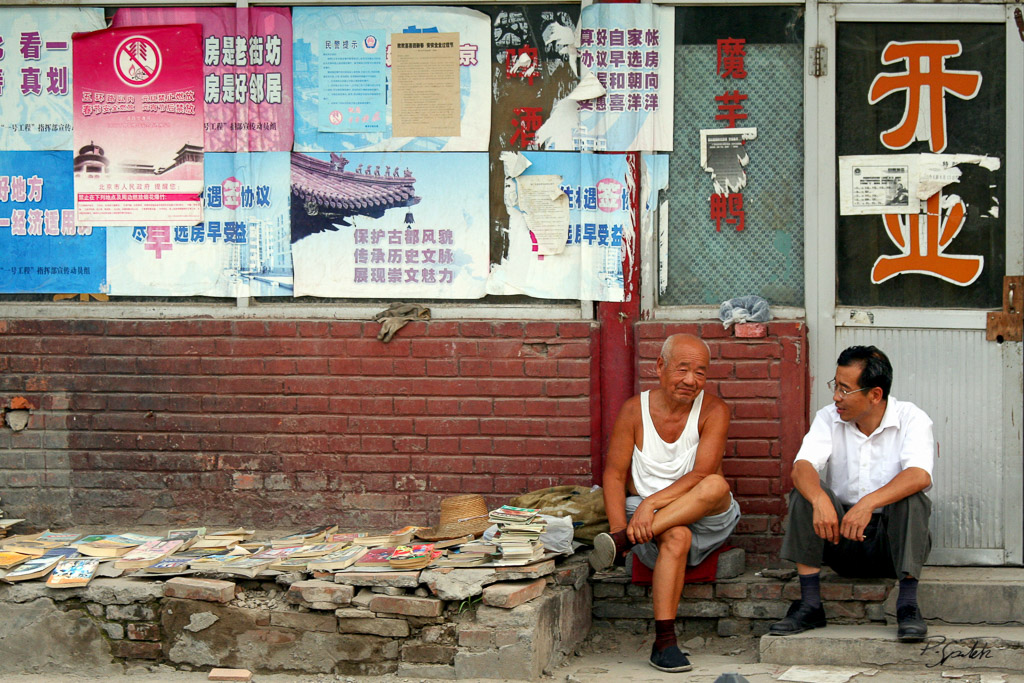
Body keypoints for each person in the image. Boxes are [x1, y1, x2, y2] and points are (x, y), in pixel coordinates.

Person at [590, 333, 741, 673]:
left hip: (702, 514)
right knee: (677, 536)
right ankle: (664, 643)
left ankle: (622, 544)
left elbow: (702, 476)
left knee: (716, 483)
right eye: (683, 369)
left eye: (700, 372)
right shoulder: (634, 410)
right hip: (649, 522)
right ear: (660, 367)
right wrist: (619, 523)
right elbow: (614, 475)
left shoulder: (714, 410)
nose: (691, 380)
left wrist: (649, 507)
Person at [768, 345, 934, 642]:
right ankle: (810, 605)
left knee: (912, 497)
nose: (836, 397)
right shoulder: (828, 417)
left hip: (890, 547)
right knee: (803, 493)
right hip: (839, 538)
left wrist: (869, 502)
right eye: (835, 386)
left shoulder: (912, 418)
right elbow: (802, 466)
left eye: (845, 390)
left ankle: (908, 606)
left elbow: (919, 474)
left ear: (875, 395)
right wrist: (819, 498)